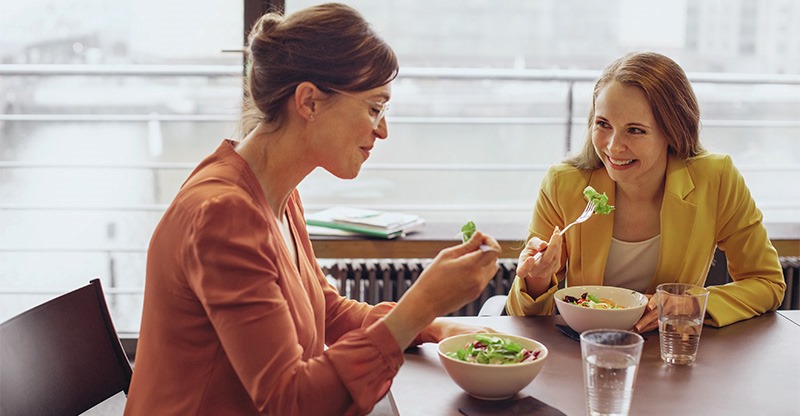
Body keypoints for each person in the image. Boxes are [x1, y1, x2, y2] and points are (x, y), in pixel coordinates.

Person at [124, 4, 501, 415]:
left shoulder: (275, 193)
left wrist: (433, 327)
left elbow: (328, 310)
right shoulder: (223, 214)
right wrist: (421, 306)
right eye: (374, 108)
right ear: (308, 102)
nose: (383, 130)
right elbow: (291, 402)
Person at [505, 52, 785, 332]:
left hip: (671, 349)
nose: (614, 147)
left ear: (672, 132)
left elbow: (766, 282)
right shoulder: (564, 184)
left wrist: (689, 304)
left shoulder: (716, 179)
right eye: (603, 124)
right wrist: (536, 280)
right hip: (587, 350)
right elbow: (523, 317)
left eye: (635, 130)